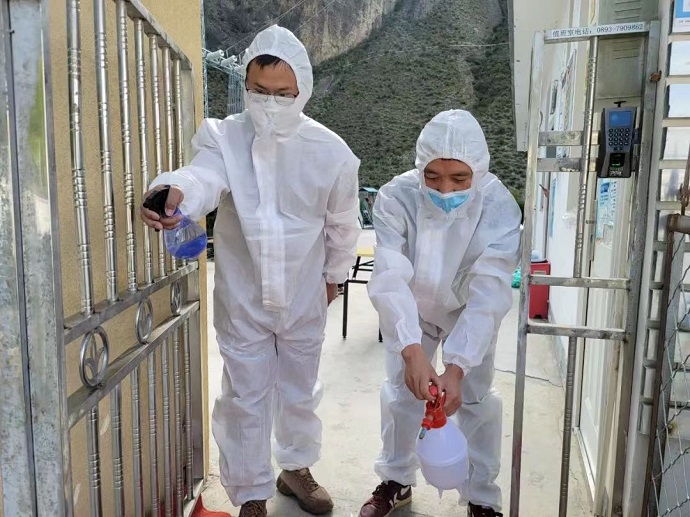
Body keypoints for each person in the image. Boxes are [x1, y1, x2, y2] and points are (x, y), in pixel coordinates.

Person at [140, 25, 361, 517]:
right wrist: (175, 191)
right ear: (246, 85)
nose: (270, 104)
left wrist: (334, 279)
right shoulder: (224, 137)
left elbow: (343, 224)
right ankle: (251, 493)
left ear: (303, 89)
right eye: (259, 92)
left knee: (299, 391)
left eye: (283, 94)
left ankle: (295, 468)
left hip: (304, 294)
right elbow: (202, 175)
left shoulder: (331, 152)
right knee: (245, 396)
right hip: (244, 296)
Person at [359, 110, 521, 517]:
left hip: (467, 310)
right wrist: (410, 348)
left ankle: (481, 497)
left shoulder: (499, 208)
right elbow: (390, 275)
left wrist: (459, 365)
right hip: (412, 307)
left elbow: (489, 291)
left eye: (459, 179)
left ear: (478, 171)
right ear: (420, 169)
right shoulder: (397, 198)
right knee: (402, 393)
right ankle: (396, 479)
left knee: (475, 401)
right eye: (432, 177)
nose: (445, 189)